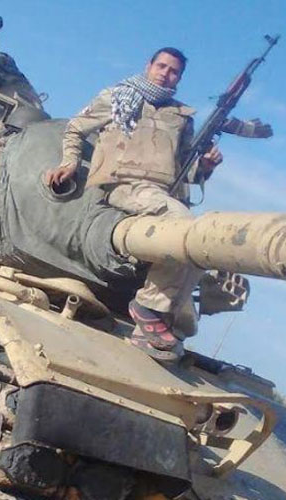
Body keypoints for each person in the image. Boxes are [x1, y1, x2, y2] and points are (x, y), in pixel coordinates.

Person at [44, 47, 223, 359]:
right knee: (183, 226)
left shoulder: (181, 117)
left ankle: (162, 320)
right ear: (149, 65)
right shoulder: (118, 97)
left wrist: (205, 166)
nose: (166, 74)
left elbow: (184, 167)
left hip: (159, 193)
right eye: (162, 66)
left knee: (201, 240)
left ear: (179, 78)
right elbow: (75, 128)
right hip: (122, 184)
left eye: (174, 71)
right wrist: (69, 162)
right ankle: (149, 307)